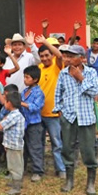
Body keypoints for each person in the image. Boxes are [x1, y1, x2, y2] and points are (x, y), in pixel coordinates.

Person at [53, 45, 98, 195]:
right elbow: (58, 93)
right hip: (68, 117)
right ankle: (69, 180)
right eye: (66, 56)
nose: (67, 59)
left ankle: (90, 183)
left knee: (88, 150)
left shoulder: (91, 72)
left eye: (71, 56)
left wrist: (80, 78)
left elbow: (94, 91)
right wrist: (60, 110)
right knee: (67, 148)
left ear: (81, 58)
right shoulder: (63, 73)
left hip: (86, 118)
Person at [35, 35, 66, 178]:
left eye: (47, 55)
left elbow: (59, 55)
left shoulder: (57, 66)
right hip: (39, 113)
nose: (44, 58)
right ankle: (39, 169)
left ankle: (60, 169)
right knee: (38, 143)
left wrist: (45, 42)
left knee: (56, 143)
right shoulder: (39, 68)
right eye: (42, 56)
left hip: (54, 113)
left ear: (51, 55)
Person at [19, 65, 45, 182]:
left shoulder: (38, 92)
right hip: (24, 123)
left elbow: (36, 107)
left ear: (35, 79)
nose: (25, 79)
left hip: (34, 124)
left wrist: (22, 104)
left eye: (27, 77)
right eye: (24, 77)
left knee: (35, 147)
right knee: (23, 147)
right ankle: (21, 169)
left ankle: (38, 171)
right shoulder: (24, 91)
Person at [0, 91, 25, 195]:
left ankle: (16, 187)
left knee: (14, 166)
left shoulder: (12, 116)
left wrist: (3, 119)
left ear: (9, 103)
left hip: (13, 145)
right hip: (15, 144)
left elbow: (0, 127)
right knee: (17, 164)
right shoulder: (17, 115)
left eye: (5, 101)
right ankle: (16, 182)